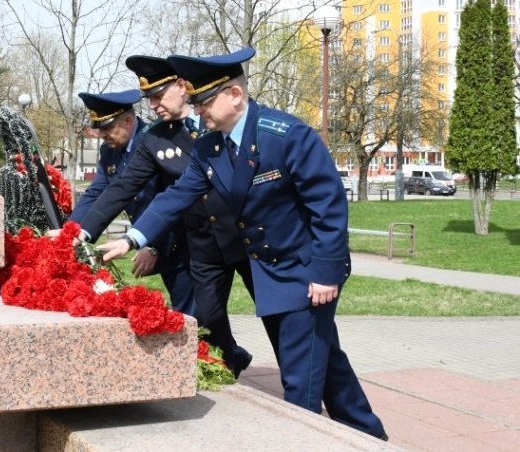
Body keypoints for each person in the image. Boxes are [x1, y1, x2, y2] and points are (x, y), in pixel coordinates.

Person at [98, 47, 388, 441]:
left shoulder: (285, 136)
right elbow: (177, 196)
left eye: (204, 101)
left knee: (299, 377)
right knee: (325, 359)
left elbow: (328, 206)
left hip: (306, 274)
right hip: (269, 272)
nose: (198, 111)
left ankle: (297, 441)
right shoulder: (209, 146)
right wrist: (134, 237)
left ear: (234, 95)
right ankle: (366, 434)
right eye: (195, 102)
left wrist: (325, 273)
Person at [78, 56, 254, 378]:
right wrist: (80, 232)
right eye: (150, 99)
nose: (154, 105)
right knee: (207, 319)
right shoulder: (157, 138)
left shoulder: (219, 118)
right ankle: (225, 369)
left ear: (181, 86)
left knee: (280, 318)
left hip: (243, 237)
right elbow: (122, 188)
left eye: (159, 96)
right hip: (201, 244)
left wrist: (153, 245)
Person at [53, 89, 196, 316]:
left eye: (107, 128)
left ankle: (228, 353)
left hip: (182, 244)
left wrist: (153, 247)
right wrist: (72, 230)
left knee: (196, 319)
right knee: (193, 320)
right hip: (155, 239)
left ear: (128, 121)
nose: (102, 135)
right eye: (99, 129)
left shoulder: (159, 140)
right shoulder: (110, 150)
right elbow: (98, 192)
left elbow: (177, 199)